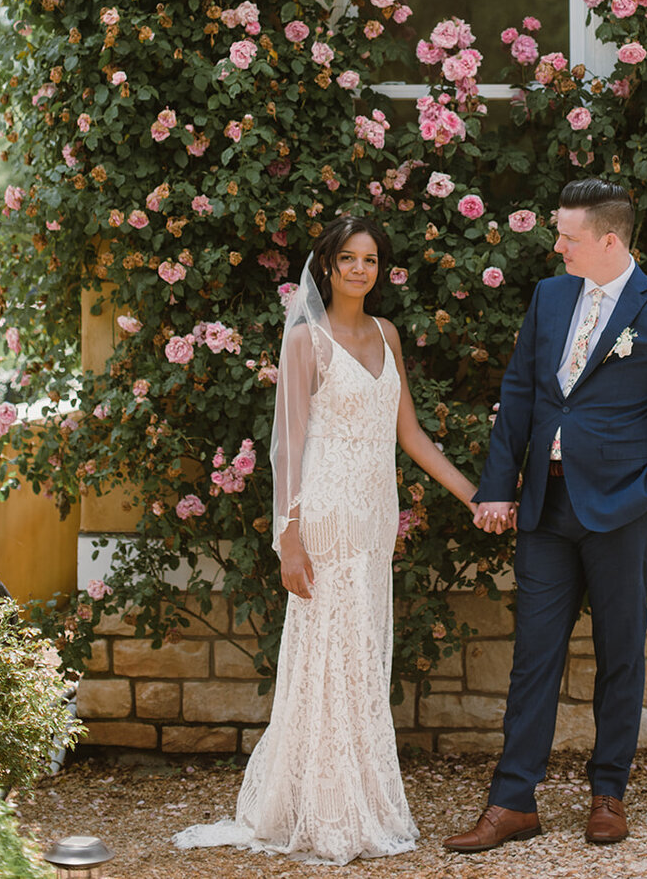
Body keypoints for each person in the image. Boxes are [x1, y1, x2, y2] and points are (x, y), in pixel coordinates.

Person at [176, 215, 477, 865]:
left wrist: (476, 497)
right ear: (329, 265)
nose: (360, 270)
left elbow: (412, 436)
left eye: (370, 258)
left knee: (362, 655)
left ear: (379, 267)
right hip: (326, 514)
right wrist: (289, 539)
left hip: (373, 518)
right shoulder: (307, 341)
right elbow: (286, 445)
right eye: (348, 259)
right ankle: (323, 810)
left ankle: (360, 797)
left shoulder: (388, 334)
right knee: (326, 659)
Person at [446, 177, 647, 851]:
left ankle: (609, 794)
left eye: (567, 236)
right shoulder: (549, 295)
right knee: (533, 656)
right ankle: (512, 802)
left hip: (624, 509)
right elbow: (518, 394)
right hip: (546, 503)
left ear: (607, 239)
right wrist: (497, 487)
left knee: (618, 654)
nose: (557, 245)